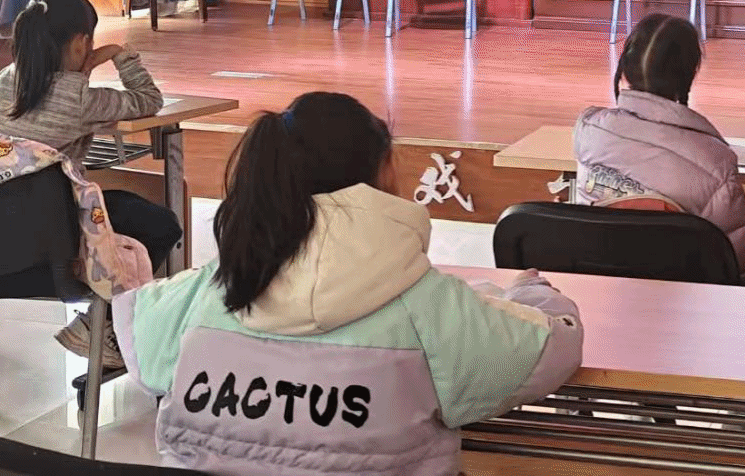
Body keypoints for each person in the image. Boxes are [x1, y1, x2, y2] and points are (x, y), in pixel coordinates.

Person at [114, 92, 583, 476]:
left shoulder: (203, 292)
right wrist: (534, 293)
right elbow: (551, 347)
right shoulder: (429, 306)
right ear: (384, 172)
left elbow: (136, 325)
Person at [0, 0, 179, 366]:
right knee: (160, 224)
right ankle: (108, 329)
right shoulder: (81, 102)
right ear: (82, 43)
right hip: (51, 254)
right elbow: (148, 100)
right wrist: (120, 55)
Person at [574, 13, 745, 286]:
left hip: (598, 289)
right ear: (688, 75)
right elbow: (743, 266)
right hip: (680, 300)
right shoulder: (716, 162)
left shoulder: (588, 131)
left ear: (626, 67)